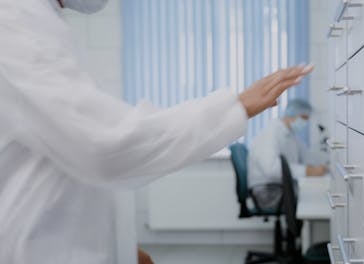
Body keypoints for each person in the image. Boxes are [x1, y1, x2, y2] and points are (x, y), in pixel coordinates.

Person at [0, 0, 314, 263]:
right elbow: (106, 144)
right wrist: (237, 106)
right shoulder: (16, 22)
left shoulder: (41, 23)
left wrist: (121, 248)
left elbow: (63, 161)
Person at [247, 99, 327, 209]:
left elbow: (307, 156)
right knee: (313, 201)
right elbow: (271, 169)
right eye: (303, 118)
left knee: (315, 197)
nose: (305, 122)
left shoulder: (290, 134)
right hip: (267, 192)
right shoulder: (271, 134)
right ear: (291, 113)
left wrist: (325, 164)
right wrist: (307, 171)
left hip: (280, 186)